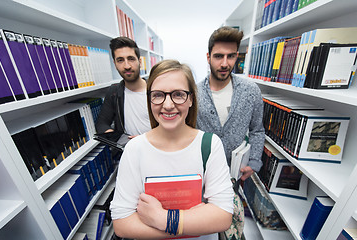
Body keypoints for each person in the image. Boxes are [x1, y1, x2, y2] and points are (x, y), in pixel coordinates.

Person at [110, 59, 234, 240]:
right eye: (158, 95)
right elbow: (122, 223)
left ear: (191, 99)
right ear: (150, 99)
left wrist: (163, 219)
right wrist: (192, 225)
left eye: (178, 94)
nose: (168, 105)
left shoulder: (209, 145)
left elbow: (223, 216)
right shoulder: (134, 149)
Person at [197, 26, 265, 181]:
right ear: (208, 57)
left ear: (237, 56)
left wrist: (254, 162)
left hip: (237, 172)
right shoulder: (194, 93)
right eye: (218, 56)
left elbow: (257, 130)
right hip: (203, 172)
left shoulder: (251, 90)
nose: (225, 64)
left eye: (231, 56)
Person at [95, 36, 150, 137]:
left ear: (140, 62)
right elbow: (101, 124)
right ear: (115, 64)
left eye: (131, 59)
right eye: (120, 60)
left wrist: (145, 140)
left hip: (155, 149)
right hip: (127, 150)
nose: (127, 66)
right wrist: (119, 139)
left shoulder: (156, 90)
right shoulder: (114, 91)